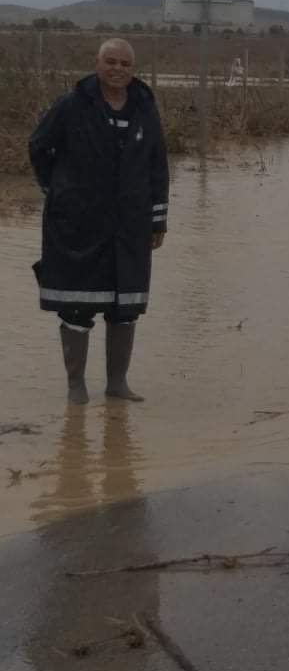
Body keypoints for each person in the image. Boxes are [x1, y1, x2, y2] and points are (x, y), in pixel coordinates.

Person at [29, 38, 169, 404]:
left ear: (133, 69)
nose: (118, 69)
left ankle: (117, 384)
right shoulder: (72, 105)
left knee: (125, 306)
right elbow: (39, 146)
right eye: (111, 61)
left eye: (125, 63)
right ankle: (76, 386)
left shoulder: (144, 108)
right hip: (78, 224)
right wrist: (57, 189)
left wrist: (158, 220)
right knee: (77, 306)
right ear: (97, 63)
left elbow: (157, 164)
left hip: (130, 226)